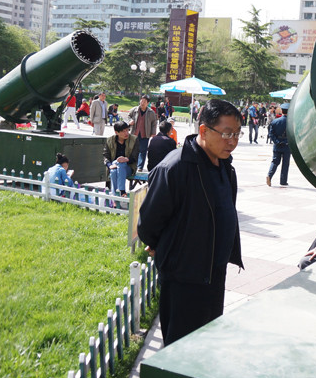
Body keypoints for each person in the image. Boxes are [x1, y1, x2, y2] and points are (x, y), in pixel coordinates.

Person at [138, 98, 244, 346]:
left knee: (206, 343)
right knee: (180, 347)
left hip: (214, 274)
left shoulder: (225, 167)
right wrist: (163, 245)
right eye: (227, 133)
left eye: (237, 134)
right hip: (183, 276)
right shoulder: (175, 168)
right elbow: (148, 222)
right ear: (204, 130)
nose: (233, 141)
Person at [104, 120, 138, 195]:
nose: (126, 133)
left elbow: (135, 157)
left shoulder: (134, 139)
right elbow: (105, 156)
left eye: (127, 130)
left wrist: (126, 159)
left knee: (121, 164)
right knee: (113, 171)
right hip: (114, 167)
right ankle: (119, 194)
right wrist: (110, 165)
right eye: (123, 131)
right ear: (116, 132)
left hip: (129, 167)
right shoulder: (109, 140)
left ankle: (119, 192)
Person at [128, 95, 158, 171]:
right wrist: (130, 121)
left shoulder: (151, 112)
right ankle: (132, 165)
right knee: (133, 150)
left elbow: (154, 123)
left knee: (143, 151)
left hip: (145, 134)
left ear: (147, 103)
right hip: (134, 133)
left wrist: (153, 132)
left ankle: (140, 167)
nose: (142, 103)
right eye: (141, 101)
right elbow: (128, 116)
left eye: (144, 101)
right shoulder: (134, 110)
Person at [266, 103, 290, 187]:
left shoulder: (275, 121)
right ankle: (283, 181)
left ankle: (270, 175)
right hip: (287, 145)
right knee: (285, 163)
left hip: (277, 144)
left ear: (282, 111)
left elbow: (271, 133)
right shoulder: (291, 122)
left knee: (275, 161)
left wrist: (277, 141)